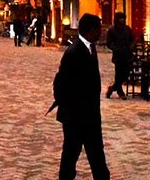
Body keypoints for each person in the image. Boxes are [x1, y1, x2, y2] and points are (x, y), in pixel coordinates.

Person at [51, 13, 110, 180]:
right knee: (71, 154)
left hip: (90, 114)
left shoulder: (90, 48)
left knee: (96, 155)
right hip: (76, 116)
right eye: (99, 28)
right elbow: (60, 84)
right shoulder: (74, 52)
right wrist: (72, 108)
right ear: (92, 30)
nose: (101, 32)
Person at [105, 12, 135, 100]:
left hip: (127, 54)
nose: (122, 20)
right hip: (118, 55)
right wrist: (116, 49)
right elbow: (109, 43)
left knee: (125, 74)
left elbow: (132, 39)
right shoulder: (112, 30)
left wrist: (131, 47)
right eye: (120, 18)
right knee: (118, 74)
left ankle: (112, 88)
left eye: (123, 18)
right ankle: (119, 91)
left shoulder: (127, 29)